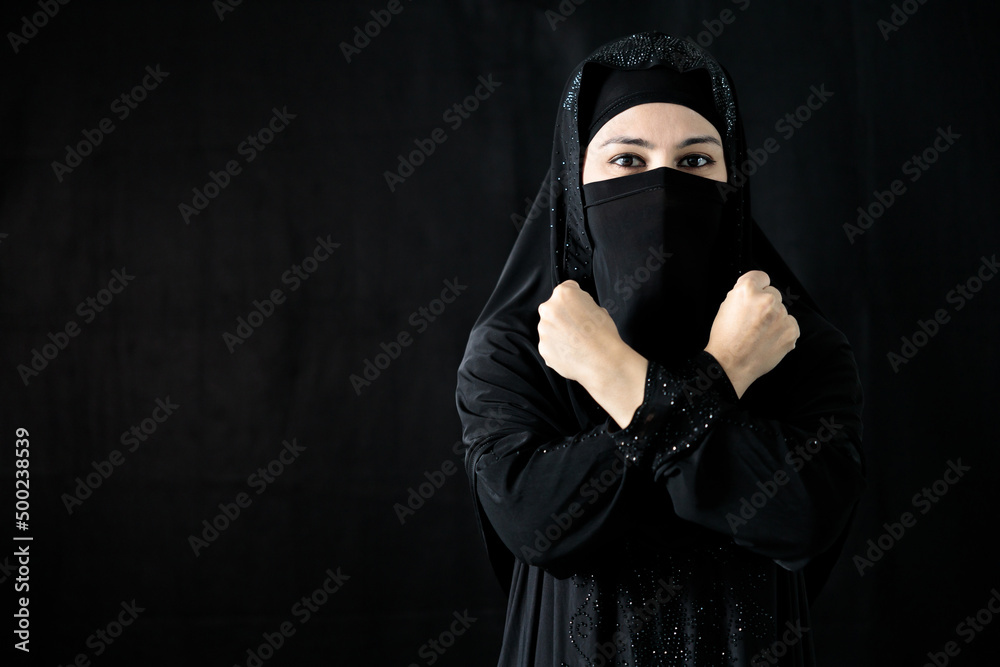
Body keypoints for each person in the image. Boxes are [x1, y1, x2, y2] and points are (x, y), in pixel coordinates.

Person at [455, 31, 865, 666]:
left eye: (696, 161)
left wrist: (617, 377)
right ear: (574, 179)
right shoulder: (519, 347)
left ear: (732, 180)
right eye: (627, 160)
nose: (665, 188)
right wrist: (724, 374)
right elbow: (539, 525)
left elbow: (803, 520)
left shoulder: (791, 339)